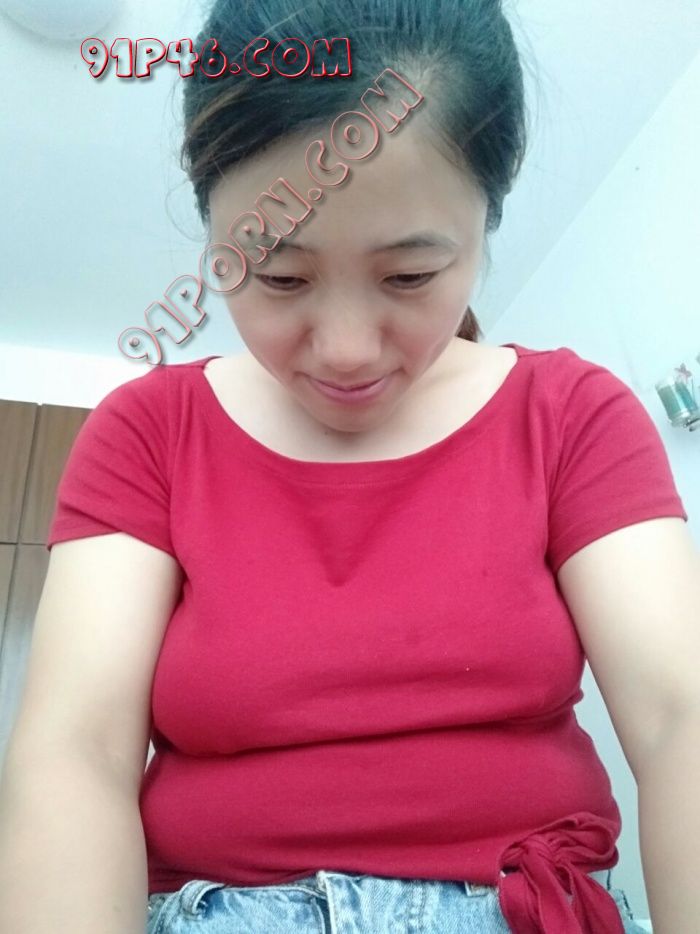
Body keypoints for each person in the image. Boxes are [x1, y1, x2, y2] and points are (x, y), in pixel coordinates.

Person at [0, 1, 695, 933]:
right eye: (279, 277)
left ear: (487, 224)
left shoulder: (571, 416)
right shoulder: (150, 433)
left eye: (410, 278)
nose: (346, 351)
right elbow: (76, 753)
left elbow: (680, 717)